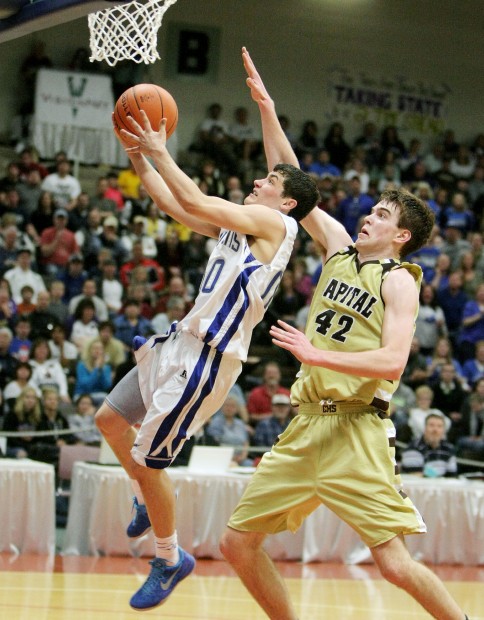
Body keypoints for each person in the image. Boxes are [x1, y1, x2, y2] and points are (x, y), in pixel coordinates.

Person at [220, 49, 468, 620]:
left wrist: (313, 351)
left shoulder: (399, 281)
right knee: (237, 543)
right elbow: (295, 182)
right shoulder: (338, 249)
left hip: (357, 432)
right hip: (306, 426)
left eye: (382, 214)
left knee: (394, 565)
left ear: (401, 234)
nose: (369, 215)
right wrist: (268, 110)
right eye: (373, 209)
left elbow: (393, 364)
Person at [94, 47, 319, 612]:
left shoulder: (277, 225)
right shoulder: (238, 229)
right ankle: (150, 497)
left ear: (286, 201)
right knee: (109, 420)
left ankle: (169, 557)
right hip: (178, 344)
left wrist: (160, 149)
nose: (257, 182)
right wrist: (140, 159)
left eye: (268, 179)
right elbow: (176, 205)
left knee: (150, 464)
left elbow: (192, 193)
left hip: (207, 362)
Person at [400, 413, 458, 477]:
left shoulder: (449, 448)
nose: (435, 430)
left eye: (439, 426)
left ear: (444, 431)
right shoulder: (413, 448)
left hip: (442, 485)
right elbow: (416, 477)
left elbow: (451, 477)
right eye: (431, 425)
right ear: (425, 428)